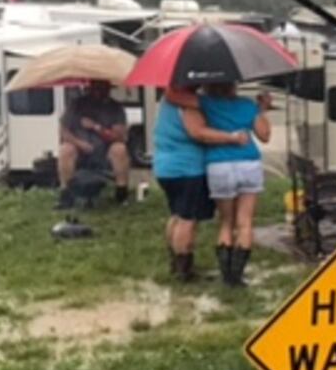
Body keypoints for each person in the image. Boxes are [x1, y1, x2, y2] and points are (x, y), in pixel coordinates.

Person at [153, 87, 253, 282]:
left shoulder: (168, 100)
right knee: (188, 219)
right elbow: (198, 132)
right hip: (187, 168)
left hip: (166, 167)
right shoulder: (187, 104)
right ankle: (185, 270)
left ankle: (175, 263)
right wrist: (232, 138)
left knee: (177, 215)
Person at [199, 84, 273, 287]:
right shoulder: (247, 105)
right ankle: (237, 276)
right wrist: (261, 109)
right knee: (245, 222)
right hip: (249, 164)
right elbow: (264, 136)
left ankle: (226, 276)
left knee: (225, 222)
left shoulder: (205, 104)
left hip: (219, 163)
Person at [57, 80, 130, 209]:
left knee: (120, 149)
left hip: (105, 152)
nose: (98, 91)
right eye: (95, 87)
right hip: (79, 150)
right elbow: (64, 131)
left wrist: (96, 127)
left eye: (102, 87)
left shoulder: (115, 107)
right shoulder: (76, 104)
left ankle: (121, 194)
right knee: (65, 149)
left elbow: (119, 136)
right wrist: (79, 143)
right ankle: (66, 196)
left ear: (108, 88)